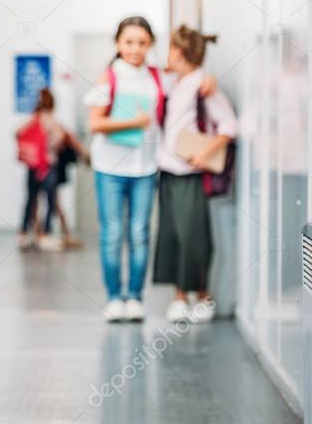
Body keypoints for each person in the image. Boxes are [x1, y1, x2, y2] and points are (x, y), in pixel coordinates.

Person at [83, 17, 216, 323]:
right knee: (113, 234)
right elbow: (95, 123)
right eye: (128, 42)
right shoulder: (109, 77)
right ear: (118, 43)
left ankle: (135, 298)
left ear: (150, 45)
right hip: (110, 169)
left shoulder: (158, 77)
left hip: (144, 168)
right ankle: (115, 298)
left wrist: (209, 77)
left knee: (140, 234)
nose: (135, 49)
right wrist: (134, 122)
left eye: (142, 43)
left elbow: (191, 77)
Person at [154, 26, 238, 323]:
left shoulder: (203, 85)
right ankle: (180, 296)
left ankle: (202, 295)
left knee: (194, 237)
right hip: (168, 170)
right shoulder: (173, 83)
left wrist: (203, 154)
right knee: (173, 235)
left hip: (190, 173)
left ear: (178, 52)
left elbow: (229, 126)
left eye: (170, 48)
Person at [17, 88, 67, 251]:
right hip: (48, 165)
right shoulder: (51, 121)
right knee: (50, 201)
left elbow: (18, 133)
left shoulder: (33, 119)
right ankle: (45, 235)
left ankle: (23, 234)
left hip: (33, 165)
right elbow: (59, 140)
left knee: (31, 200)